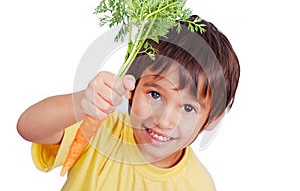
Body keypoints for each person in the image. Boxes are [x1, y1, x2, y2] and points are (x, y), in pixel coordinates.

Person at [17, 15, 240, 190]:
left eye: (189, 108)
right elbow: (27, 127)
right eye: (155, 95)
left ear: (213, 118)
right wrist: (81, 102)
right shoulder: (101, 129)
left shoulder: (199, 185)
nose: (164, 120)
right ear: (132, 86)